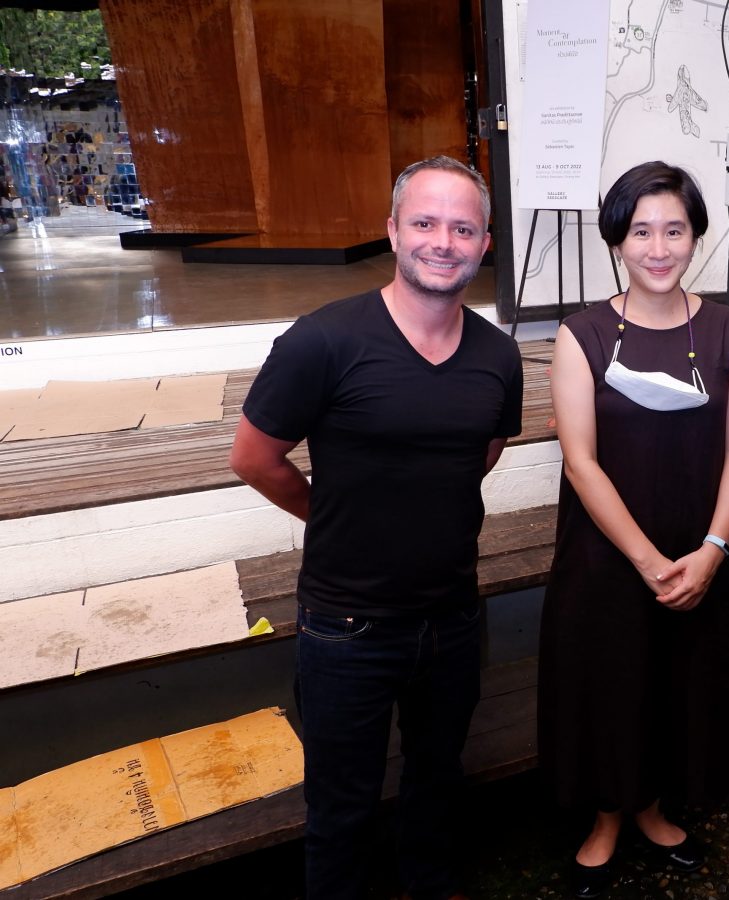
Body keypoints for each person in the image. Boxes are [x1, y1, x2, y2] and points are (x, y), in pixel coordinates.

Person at [230, 155, 523, 900]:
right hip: (346, 626)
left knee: (438, 778)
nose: (443, 242)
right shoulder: (321, 341)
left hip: (452, 615)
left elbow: (481, 453)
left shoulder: (498, 354)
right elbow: (254, 458)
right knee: (342, 807)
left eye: (463, 228)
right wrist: (333, 514)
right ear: (392, 231)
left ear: (486, 243)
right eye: (425, 222)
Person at [537, 161, 729, 898]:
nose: (658, 248)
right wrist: (646, 561)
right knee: (610, 678)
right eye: (641, 231)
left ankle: (655, 808)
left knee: (679, 679)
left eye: (674, 230)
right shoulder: (582, 334)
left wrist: (712, 551)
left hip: (701, 544)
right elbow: (580, 460)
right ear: (617, 239)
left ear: (695, 236)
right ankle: (606, 815)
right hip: (609, 551)